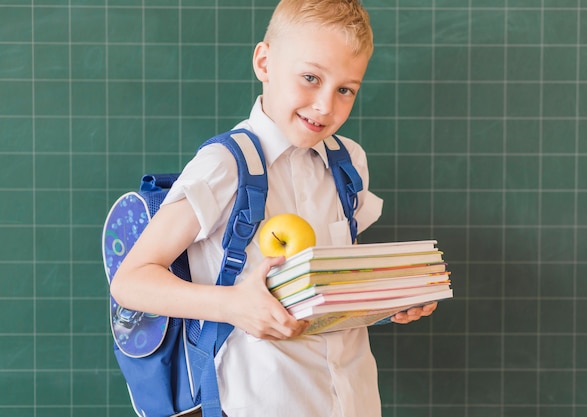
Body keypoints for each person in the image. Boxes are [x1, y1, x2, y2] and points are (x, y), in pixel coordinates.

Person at [111, 0, 437, 416]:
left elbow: (325, 291)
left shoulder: (348, 164)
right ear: (264, 62)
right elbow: (131, 281)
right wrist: (232, 305)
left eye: (345, 90)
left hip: (352, 401)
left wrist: (386, 303)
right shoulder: (225, 166)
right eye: (310, 78)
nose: (325, 105)